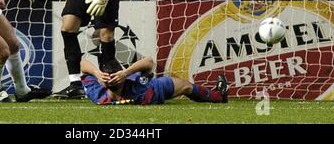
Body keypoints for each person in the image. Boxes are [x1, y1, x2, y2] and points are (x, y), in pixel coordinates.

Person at [80, 57, 229, 105]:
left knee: (186, 87)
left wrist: (125, 73)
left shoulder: (97, 94)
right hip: (148, 92)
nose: (112, 80)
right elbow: (82, 64)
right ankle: (219, 97)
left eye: (115, 77)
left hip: (155, 89)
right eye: (108, 77)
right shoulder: (97, 94)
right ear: (102, 80)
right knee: (186, 87)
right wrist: (96, 73)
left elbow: (149, 62)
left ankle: (219, 96)